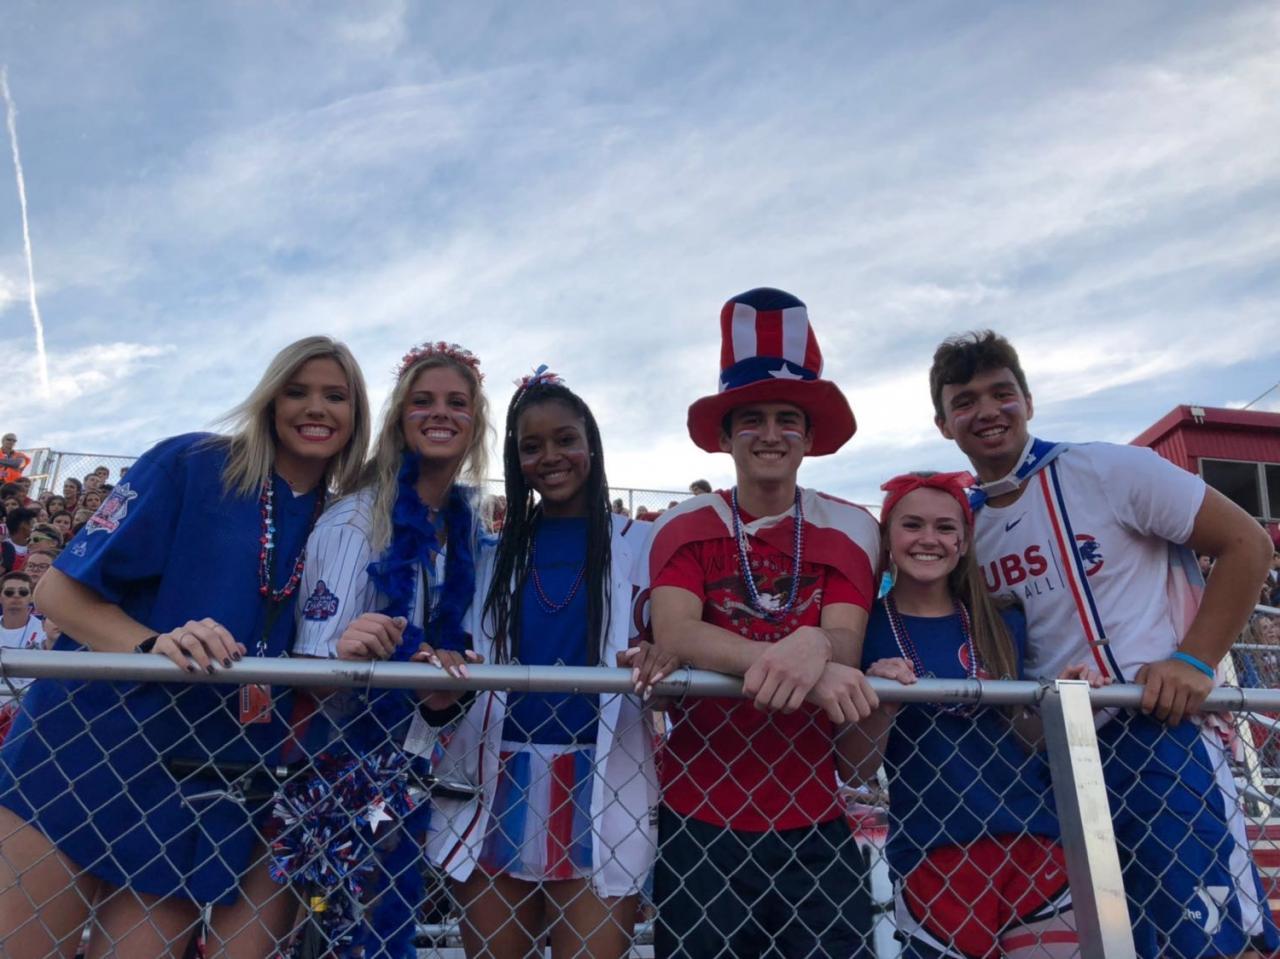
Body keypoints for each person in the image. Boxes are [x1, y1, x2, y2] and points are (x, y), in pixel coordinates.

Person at [0, 335, 370, 959]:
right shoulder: (192, 463)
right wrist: (153, 643)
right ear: (269, 400)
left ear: (357, 415)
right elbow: (58, 592)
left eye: (336, 396)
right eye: (297, 391)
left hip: (198, 786)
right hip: (83, 752)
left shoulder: (345, 524)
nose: (316, 408)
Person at [929, 330, 1279, 958]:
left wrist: (1194, 659)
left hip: (1154, 732)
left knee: (1215, 937)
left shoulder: (1109, 469)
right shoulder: (964, 527)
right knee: (1111, 942)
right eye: (965, 401)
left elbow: (1247, 543)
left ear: (1028, 401)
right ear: (943, 423)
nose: (987, 411)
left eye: (1001, 393)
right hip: (1051, 762)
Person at [642, 287, 881, 958]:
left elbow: (846, 641)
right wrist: (802, 657)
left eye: (787, 419)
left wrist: (816, 641)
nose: (771, 434)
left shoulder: (852, 526)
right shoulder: (682, 524)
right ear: (724, 436)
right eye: (751, 419)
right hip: (700, 811)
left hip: (815, 811)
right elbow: (677, 632)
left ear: (810, 436)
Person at [424, 368, 664, 958]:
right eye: (531, 446)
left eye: (565, 439)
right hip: (495, 776)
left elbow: (671, 635)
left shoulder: (641, 544)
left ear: (591, 445)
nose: (550, 457)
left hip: (605, 782)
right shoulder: (488, 554)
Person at [842, 471, 1097, 958]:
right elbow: (854, 767)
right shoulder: (863, 627)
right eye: (912, 525)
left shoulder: (1001, 619)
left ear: (963, 542)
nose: (929, 539)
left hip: (1033, 835)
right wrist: (883, 705)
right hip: (931, 848)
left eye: (945, 527)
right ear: (887, 538)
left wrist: (1061, 698)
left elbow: (1028, 738)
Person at [292, 340, 491, 954]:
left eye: (457, 403)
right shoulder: (356, 520)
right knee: (336, 931)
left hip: (420, 763)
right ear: (399, 417)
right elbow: (310, 665)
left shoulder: (469, 530)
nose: (441, 413)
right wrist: (357, 656)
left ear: (475, 422)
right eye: (423, 401)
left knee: (393, 927)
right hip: (343, 766)